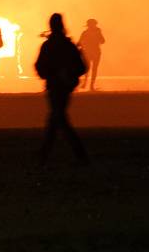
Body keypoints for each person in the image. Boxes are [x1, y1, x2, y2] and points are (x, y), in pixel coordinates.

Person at [34, 13, 88, 164]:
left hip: (56, 87)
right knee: (58, 118)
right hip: (64, 88)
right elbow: (82, 67)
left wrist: (54, 74)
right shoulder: (68, 46)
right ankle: (46, 155)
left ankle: (45, 155)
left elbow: (39, 67)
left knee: (57, 118)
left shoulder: (49, 45)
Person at [77, 18, 106, 91]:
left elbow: (79, 43)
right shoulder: (97, 32)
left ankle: (86, 84)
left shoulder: (85, 32)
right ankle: (91, 85)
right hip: (95, 52)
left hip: (89, 52)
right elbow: (103, 41)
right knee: (94, 69)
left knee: (88, 68)